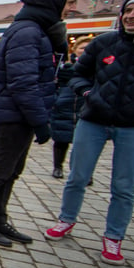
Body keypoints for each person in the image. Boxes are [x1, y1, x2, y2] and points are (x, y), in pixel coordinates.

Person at [0, 0, 80, 248]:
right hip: (13, 114)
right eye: (71, 2)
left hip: (19, 114)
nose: (73, 8)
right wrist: (40, 120)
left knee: (12, 170)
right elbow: (23, 82)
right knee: (0, 170)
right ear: (54, 1)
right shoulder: (28, 32)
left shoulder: (35, 31)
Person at [45, 0, 134, 265]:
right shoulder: (104, 43)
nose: (132, 16)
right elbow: (78, 75)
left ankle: (114, 237)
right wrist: (88, 94)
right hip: (94, 119)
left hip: (133, 125)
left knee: (124, 186)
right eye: (128, 10)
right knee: (77, 176)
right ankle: (66, 219)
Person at [49, 35, 93, 178]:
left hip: (85, 106)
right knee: (61, 139)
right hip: (65, 105)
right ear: (75, 50)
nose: (84, 51)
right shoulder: (65, 66)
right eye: (82, 48)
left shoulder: (97, 66)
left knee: (84, 143)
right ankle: (58, 166)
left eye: (88, 48)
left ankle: (83, 172)